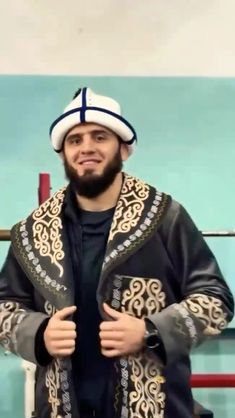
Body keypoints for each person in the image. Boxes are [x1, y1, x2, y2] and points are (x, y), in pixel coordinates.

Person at [0, 87, 234, 418]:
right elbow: (3, 309)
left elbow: (215, 301)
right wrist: (38, 334)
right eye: (75, 140)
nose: (86, 148)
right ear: (63, 154)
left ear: (124, 149)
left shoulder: (165, 218)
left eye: (99, 137)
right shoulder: (32, 231)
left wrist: (150, 331)